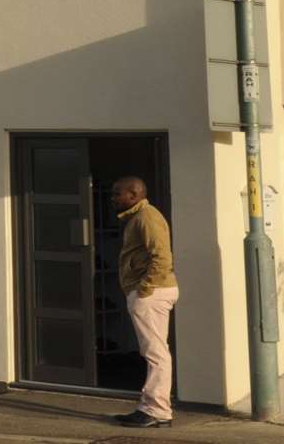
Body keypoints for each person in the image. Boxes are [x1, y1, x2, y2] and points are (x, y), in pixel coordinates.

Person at [111, 175, 177, 428]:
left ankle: (157, 410)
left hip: (152, 293)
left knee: (155, 354)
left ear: (134, 194)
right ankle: (152, 407)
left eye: (118, 193)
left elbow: (162, 256)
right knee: (155, 352)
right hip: (152, 292)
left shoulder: (147, 217)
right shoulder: (138, 217)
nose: (113, 198)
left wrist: (144, 289)